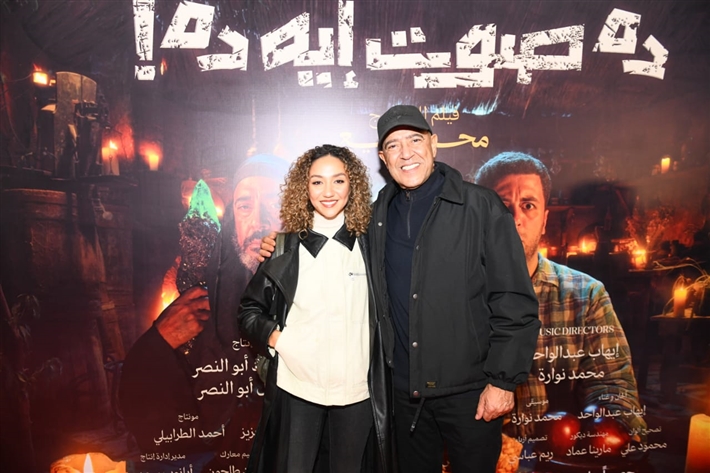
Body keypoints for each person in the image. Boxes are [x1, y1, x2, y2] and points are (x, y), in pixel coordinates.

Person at [259, 106, 540, 472]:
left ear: (434, 144)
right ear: (383, 158)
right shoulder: (376, 215)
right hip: (404, 399)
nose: (406, 153)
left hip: (470, 395)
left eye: (414, 140)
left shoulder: (480, 207)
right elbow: (326, 235)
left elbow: (514, 301)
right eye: (393, 145)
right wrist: (281, 245)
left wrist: (503, 382)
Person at [119, 154, 289, 472]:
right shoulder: (206, 300)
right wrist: (158, 343)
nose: (260, 221)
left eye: (274, 202)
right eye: (244, 206)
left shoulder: (326, 288)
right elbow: (152, 417)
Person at [474, 152, 647, 455]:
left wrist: (604, 432)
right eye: (501, 205)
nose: (515, 218)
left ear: (544, 220)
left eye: (528, 205)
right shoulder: (453, 298)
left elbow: (614, 389)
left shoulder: (586, 296)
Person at [238, 144, 395, 473]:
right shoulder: (282, 248)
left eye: (338, 181)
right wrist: (282, 341)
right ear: (304, 188)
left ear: (352, 185)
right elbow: (249, 312)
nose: (328, 192)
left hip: (357, 393)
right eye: (317, 182)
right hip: (297, 388)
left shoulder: (372, 246)